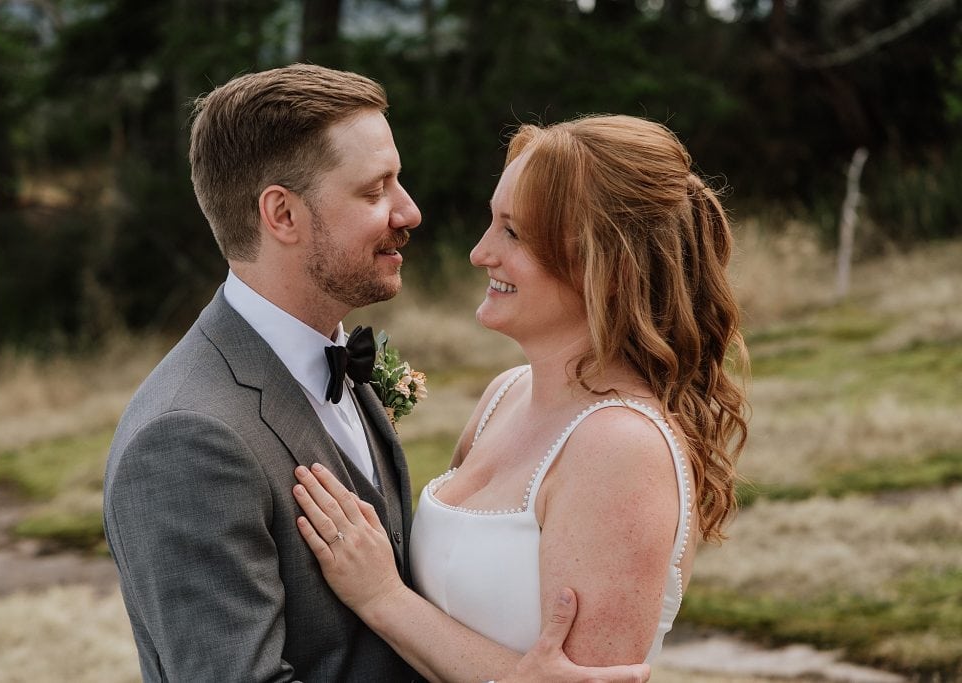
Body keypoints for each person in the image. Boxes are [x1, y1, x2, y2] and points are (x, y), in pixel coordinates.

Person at [103, 64, 650, 683]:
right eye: (375, 191)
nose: (409, 212)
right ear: (281, 214)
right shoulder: (186, 441)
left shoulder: (338, 366)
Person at [293, 114, 750, 680]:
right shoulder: (503, 396)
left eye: (513, 232)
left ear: (603, 264)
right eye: (492, 223)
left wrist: (382, 597)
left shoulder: (619, 446)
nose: (480, 253)